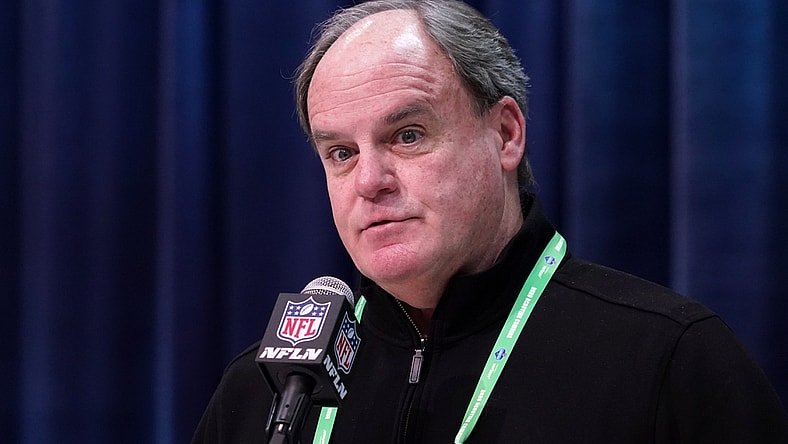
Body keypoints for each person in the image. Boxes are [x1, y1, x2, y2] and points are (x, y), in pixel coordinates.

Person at [192, 0, 788, 442]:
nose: (369, 181)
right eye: (341, 153)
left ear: (505, 134)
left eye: (407, 135)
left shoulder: (669, 359)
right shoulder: (265, 396)